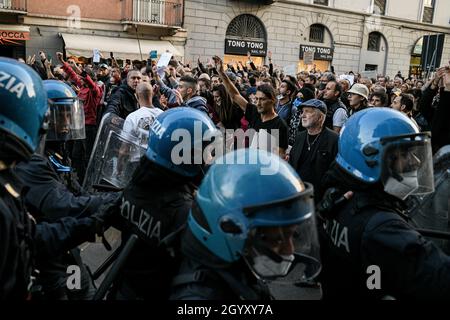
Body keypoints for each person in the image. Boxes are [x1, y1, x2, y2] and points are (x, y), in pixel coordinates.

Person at [0, 57, 112, 300]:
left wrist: (89, 221)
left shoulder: (22, 166)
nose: (63, 125)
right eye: (56, 117)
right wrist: (109, 207)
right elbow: (60, 207)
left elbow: (29, 235)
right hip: (50, 267)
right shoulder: (30, 165)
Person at [318, 107, 450, 300]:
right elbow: (440, 277)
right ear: (371, 159)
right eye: (404, 154)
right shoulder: (383, 227)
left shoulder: (337, 196)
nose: (414, 161)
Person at [170, 149, 321, 300]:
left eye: (292, 235)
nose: (290, 250)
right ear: (229, 229)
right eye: (276, 239)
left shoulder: (235, 266)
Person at [107, 107, 220, 300]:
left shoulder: (136, 186)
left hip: (122, 289)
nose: (208, 159)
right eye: (205, 152)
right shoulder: (185, 215)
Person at [213, 56, 288, 158]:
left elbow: (280, 157)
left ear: (273, 100)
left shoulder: (280, 125)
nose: (258, 103)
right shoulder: (254, 112)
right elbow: (235, 95)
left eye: (262, 99)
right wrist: (221, 73)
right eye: (256, 99)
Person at [289, 99, 338, 200]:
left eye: (308, 111)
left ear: (320, 117)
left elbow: (335, 173)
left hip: (319, 197)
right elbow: (292, 164)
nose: (302, 115)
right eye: (302, 112)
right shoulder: (299, 137)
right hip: (298, 194)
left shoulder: (334, 139)